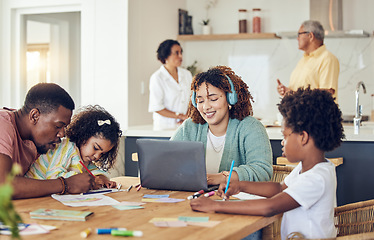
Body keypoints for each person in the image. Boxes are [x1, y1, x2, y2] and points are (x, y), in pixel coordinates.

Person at [190, 87, 345, 240]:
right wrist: (240, 186)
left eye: (285, 136)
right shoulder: (309, 169)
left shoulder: (316, 178)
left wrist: (215, 206)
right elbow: (279, 188)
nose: (282, 142)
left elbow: (269, 207)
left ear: (303, 137)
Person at [171, 66, 273, 186]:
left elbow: (262, 171)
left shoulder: (251, 127)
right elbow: (167, 160)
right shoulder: (190, 127)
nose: (206, 107)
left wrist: (219, 178)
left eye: (213, 99)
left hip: (236, 202)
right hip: (196, 199)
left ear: (230, 98)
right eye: (200, 101)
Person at [0, 83, 93, 199]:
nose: (62, 134)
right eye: (58, 126)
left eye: (64, 128)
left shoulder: (35, 140)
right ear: (34, 116)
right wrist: (66, 184)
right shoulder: (3, 124)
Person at [25, 105, 122, 189]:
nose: (97, 156)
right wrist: (90, 180)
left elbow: (93, 171)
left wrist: (102, 178)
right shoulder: (67, 147)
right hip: (33, 190)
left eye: (102, 153)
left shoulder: (85, 159)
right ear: (84, 136)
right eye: (96, 148)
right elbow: (54, 176)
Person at [277, 20, 340, 101]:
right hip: (298, 113)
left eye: (299, 34)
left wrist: (293, 94)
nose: (297, 38)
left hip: (317, 114)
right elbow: (295, 93)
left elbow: (326, 94)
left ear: (310, 36)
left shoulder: (328, 59)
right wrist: (286, 92)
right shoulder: (303, 60)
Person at [148, 39, 193, 130]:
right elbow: (157, 107)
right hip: (164, 127)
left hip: (184, 125)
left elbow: (192, 98)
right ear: (166, 55)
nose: (180, 56)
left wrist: (187, 116)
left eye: (181, 52)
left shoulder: (187, 74)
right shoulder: (157, 77)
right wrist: (180, 116)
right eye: (176, 53)